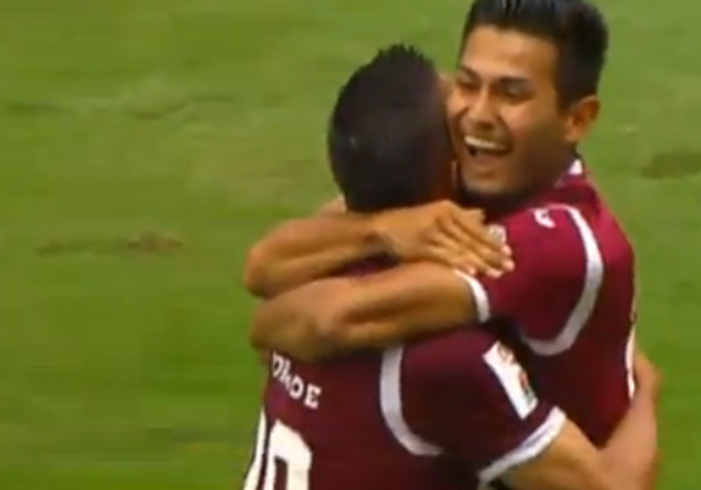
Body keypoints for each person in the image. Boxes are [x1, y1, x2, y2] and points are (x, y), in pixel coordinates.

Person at [242, 43, 657, 490]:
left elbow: (264, 287)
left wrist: (378, 229)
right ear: (449, 169)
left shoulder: (312, 271)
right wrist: (646, 391)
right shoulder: (449, 360)